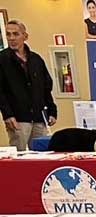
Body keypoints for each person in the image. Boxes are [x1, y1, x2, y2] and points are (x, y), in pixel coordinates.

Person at [0, 20, 57, 151]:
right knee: (18, 155)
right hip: (18, 118)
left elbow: (46, 87)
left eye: (16, 34)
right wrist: (7, 115)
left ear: (25, 36)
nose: (12, 38)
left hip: (38, 117)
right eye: (8, 35)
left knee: (42, 154)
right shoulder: (2, 59)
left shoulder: (36, 59)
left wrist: (52, 111)